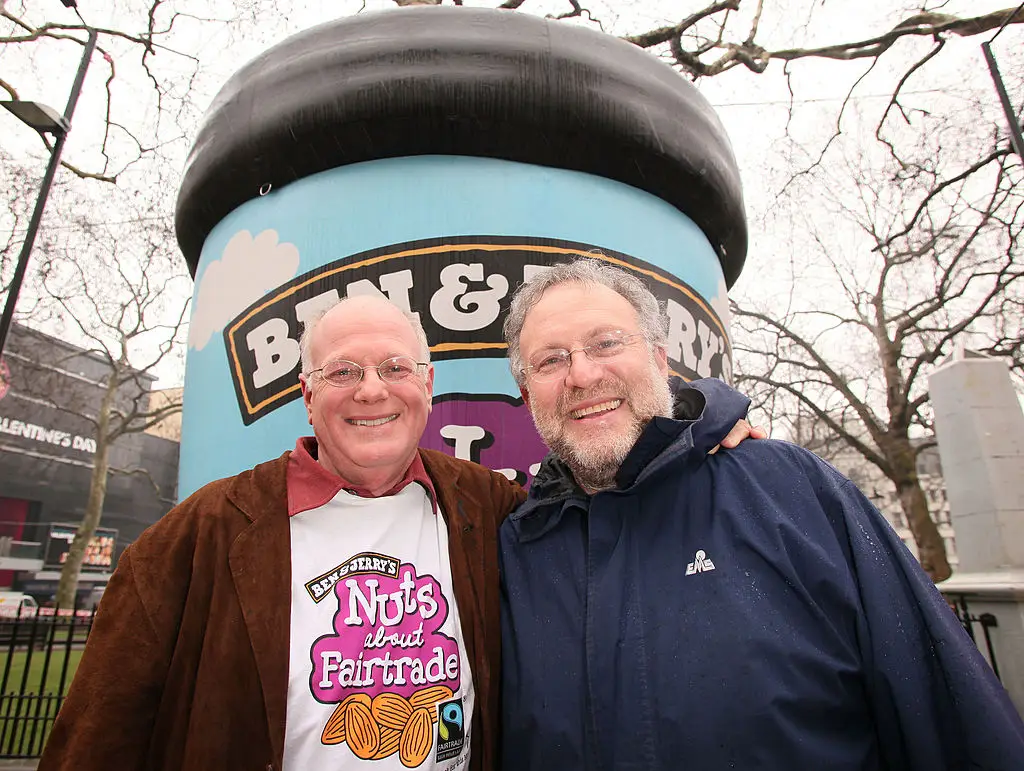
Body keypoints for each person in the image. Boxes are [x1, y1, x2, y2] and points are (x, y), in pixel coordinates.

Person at [39, 294, 759, 771]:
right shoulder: (197, 535)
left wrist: (707, 427)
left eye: (394, 368)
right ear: (308, 394)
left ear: (427, 382)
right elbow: (94, 739)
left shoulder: (490, 510)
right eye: (343, 370)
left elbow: (611, 492)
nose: (372, 390)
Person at [498, 258, 1024, 771]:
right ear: (527, 395)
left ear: (660, 360)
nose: (583, 375)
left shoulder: (791, 491)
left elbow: (947, 714)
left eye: (606, 343)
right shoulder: (514, 551)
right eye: (551, 360)